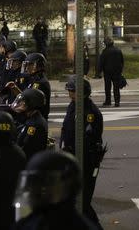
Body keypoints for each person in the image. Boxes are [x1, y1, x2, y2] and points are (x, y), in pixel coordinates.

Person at [60, 75, 105, 229]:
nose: (69, 93)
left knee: (82, 202)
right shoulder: (73, 105)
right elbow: (67, 130)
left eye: (72, 90)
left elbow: (89, 140)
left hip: (86, 162)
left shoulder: (90, 112)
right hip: (72, 159)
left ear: (81, 92)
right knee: (77, 201)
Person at [13, 150, 98, 230]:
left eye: (44, 187)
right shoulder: (26, 224)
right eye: (33, 185)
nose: (34, 193)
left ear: (68, 187)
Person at [10, 88, 48, 160]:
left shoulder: (34, 125)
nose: (20, 103)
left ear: (32, 104)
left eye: (23, 102)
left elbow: (25, 147)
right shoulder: (31, 118)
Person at [99, 36, 124, 107]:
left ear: (106, 44)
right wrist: (120, 70)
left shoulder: (105, 51)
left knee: (107, 88)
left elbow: (101, 62)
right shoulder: (118, 50)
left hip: (107, 72)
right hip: (117, 72)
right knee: (116, 88)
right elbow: (122, 61)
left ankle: (108, 101)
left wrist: (99, 72)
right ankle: (117, 102)